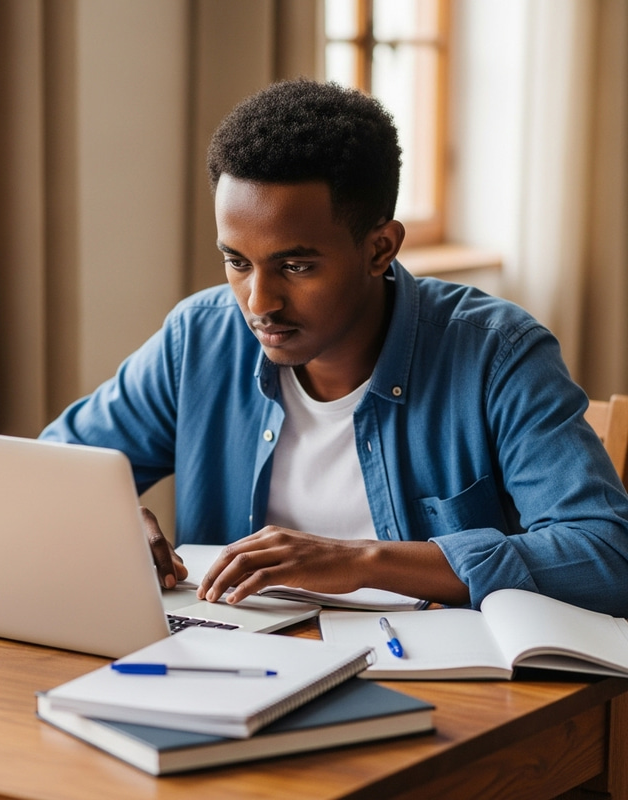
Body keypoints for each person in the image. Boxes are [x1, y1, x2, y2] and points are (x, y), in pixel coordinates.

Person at [40, 79, 628, 615]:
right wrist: (110, 521)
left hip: (440, 692)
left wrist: (361, 561)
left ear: (380, 248)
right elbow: (49, 473)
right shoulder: (199, 338)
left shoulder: (497, 354)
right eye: (237, 263)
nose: (259, 302)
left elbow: (606, 555)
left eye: (295, 265)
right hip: (233, 672)